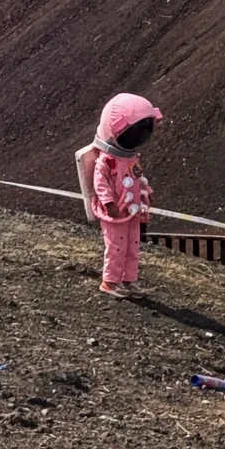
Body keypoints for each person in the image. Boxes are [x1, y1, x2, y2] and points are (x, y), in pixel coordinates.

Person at [80, 93, 163, 298]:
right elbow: (100, 183)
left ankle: (129, 280)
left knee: (132, 245)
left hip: (131, 210)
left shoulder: (130, 159)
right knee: (116, 246)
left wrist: (146, 193)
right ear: (115, 129)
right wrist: (109, 203)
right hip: (116, 212)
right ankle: (110, 281)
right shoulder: (107, 161)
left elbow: (137, 178)